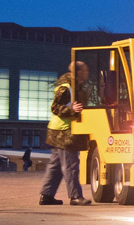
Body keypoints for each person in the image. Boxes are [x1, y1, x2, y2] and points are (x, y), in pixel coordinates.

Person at [40, 61, 95, 205]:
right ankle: (75, 196)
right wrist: (72, 110)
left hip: (59, 130)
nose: (87, 73)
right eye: (86, 70)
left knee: (56, 166)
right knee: (70, 165)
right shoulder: (66, 88)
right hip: (64, 132)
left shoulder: (75, 86)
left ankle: (46, 196)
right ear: (78, 72)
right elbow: (55, 108)